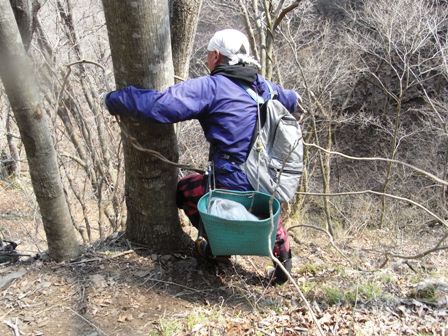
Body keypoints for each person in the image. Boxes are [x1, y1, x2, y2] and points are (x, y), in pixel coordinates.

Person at [103, 29, 300, 284]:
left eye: (209, 55)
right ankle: (280, 247)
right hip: (268, 178)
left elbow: (161, 106)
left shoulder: (212, 87)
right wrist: (294, 98)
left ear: (216, 56)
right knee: (253, 198)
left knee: (186, 190)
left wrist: (116, 99)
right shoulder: (261, 86)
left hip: (233, 183)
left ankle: (218, 247)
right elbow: (291, 100)